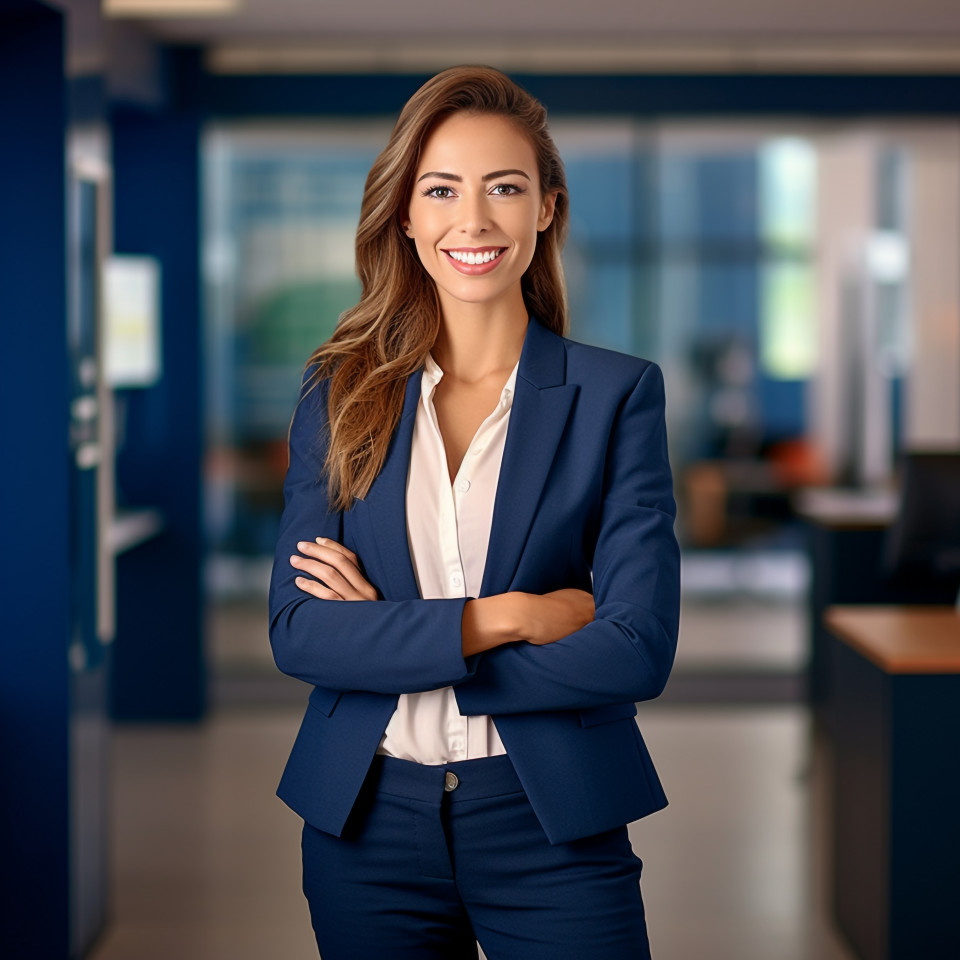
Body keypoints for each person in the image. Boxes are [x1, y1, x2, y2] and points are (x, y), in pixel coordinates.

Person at [269, 64, 681, 960]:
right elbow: (300, 633)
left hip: (553, 819)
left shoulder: (616, 396)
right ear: (405, 215)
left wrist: (393, 640)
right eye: (442, 189)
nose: (474, 220)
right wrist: (509, 617)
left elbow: (637, 648)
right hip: (364, 823)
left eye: (505, 188)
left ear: (547, 209)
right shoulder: (339, 395)